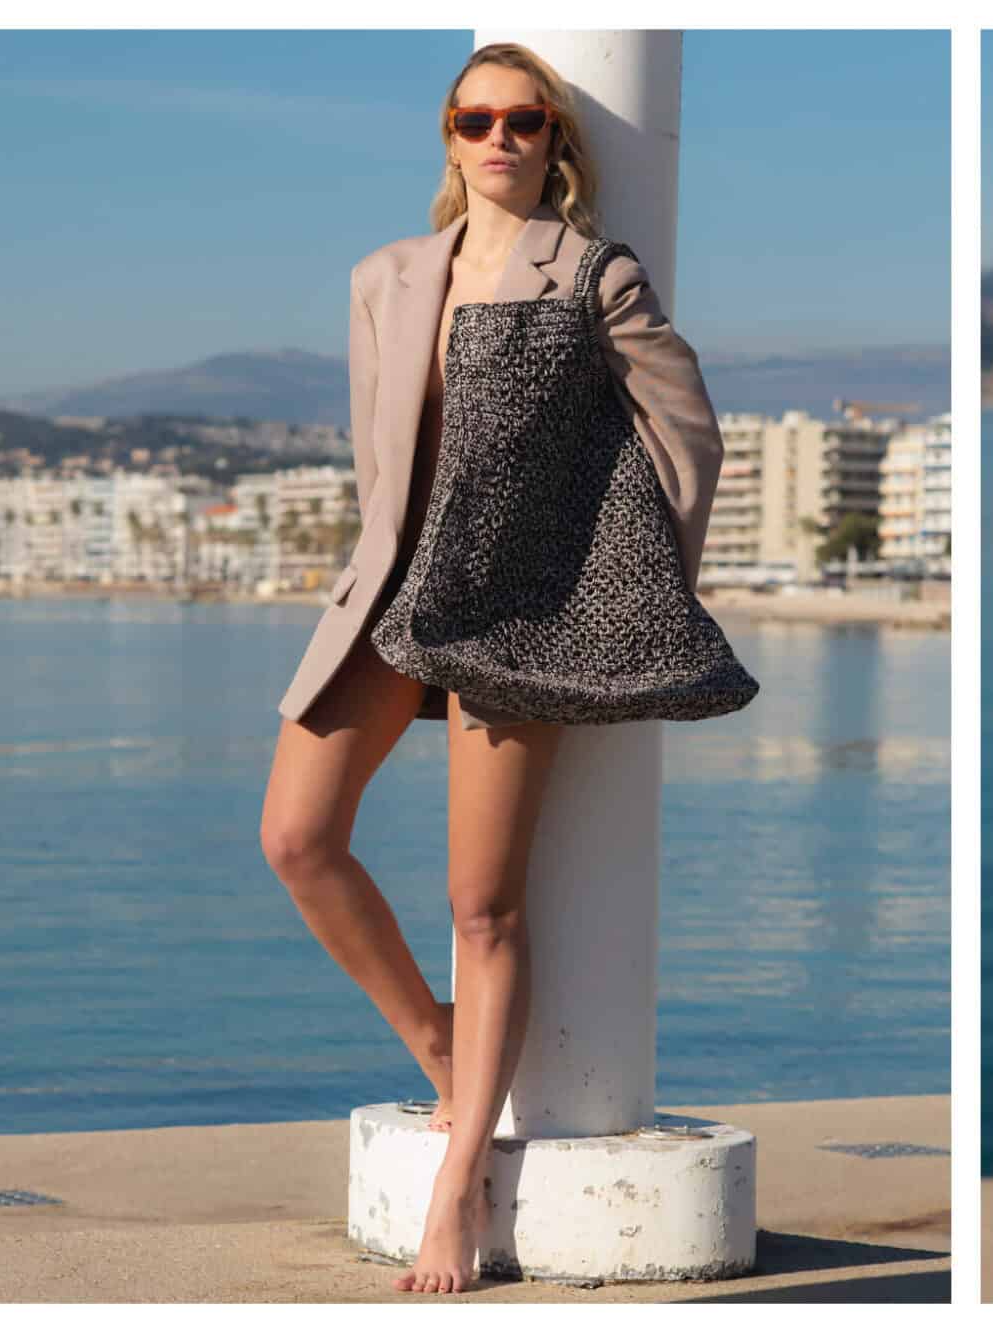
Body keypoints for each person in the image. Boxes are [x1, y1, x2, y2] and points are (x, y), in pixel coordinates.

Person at [257, 42, 724, 1295]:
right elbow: (380, 459)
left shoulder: (591, 274)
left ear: (556, 141)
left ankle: (458, 1184)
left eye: (525, 120)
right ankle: (443, 1048)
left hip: (520, 619)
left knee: (484, 906)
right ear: (450, 137)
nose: (500, 138)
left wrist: (620, 598)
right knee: (298, 837)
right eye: (476, 120)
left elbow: (686, 439)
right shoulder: (385, 277)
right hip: (389, 595)